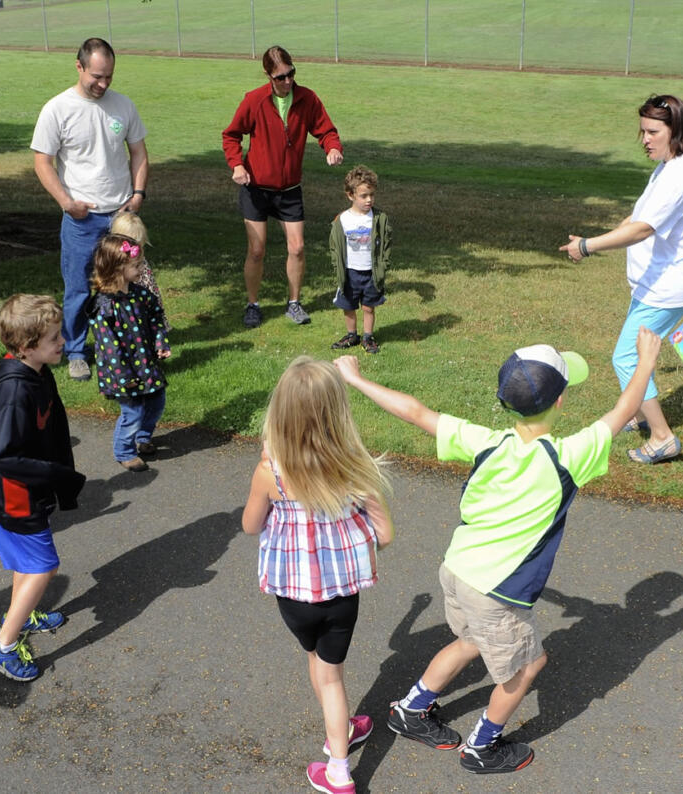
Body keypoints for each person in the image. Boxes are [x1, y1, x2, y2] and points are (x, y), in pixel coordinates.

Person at [334, 327, 662, 775]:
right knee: (528, 667)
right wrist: (646, 361)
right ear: (561, 402)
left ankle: (410, 710)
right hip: (498, 593)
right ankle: (482, 747)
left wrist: (355, 380)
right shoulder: (569, 456)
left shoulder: (485, 441)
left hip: (458, 570)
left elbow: (415, 412)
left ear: (504, 401)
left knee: (469, 640)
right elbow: (625, 410)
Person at [242, 356, 395, 794]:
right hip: (342, 593)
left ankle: (339, 765)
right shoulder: (354, 465)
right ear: (338, 412)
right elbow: (384, 533)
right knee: (331, 674)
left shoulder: (270, 473)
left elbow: (251, 525)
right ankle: (340, 743)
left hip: (293, 595)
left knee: (319, 666)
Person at [560, 94, 683, 465]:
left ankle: (661, 437)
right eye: (642, 130)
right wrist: (590, 241)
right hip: (655, 282)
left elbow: (643, 229)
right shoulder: (670, 165)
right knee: (637, 351)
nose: (644, 139)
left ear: (676, 130)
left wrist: (590, 245)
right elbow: (635, 218)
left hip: (668, 286)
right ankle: (639, 412)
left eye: (652, 131)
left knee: (627, 356)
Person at [0, 294, 87, 682]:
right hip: (14, 498)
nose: (63, 343)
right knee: (44, 566)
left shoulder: (36, 371)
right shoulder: (15, 391)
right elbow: (5, 456)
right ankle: (1, 646)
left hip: (17, 493)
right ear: (26, 347)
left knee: (28, 564)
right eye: (55, 338)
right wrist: (57, 476)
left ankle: (23, 613)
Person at [32, 37, 149, 382]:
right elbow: (42, 162)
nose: (102, 84)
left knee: (124, 283)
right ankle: (77, 352)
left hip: (120, 217)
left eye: (108, 77)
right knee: (79, 288)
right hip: (81, 218)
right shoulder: (57, 109)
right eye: (96, 76)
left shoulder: (123, 106)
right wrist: (67, 203)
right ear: (79, 66)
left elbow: (139, 153)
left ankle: (122, 342)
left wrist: (138, 193)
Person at [223, 45, 344, 328]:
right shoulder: (254, 100)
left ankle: (294, 303)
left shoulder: (307, 98)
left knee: (298, 248)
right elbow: (231, 135)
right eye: (280, 77)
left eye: (291, 74)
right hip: (256, 189)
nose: (287, 81)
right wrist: (237, 165)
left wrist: (332, 148)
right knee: (256, 250)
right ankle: (252, 304)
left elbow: (326, 130)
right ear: (268, 75)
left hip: (289, 190)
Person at [88, 233, 171, 473]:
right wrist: (124, 376)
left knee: (157, 401)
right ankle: (124, 450)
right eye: (136, 265)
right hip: (121, 370)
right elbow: (108, 345)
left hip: (145, 361)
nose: (141, 268)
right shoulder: (104, 304)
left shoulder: (141, 294)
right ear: (116, 269)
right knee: (132, 411)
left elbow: (156, 317)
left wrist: (160, 342)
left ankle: (142, 437)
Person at [330, 166, 391, 355]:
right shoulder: (342, 220)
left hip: (370, 272)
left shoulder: (379, 218)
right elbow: (334, 247)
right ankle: (351, 335)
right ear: (350, 195)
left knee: (368, 307)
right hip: (350, 272)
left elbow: (386, 244)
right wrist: (337, 267)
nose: (369, 200)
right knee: (348, 306)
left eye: (372, 195)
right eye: (364, 196)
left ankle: (368, 337)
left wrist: (383, 265)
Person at [109, 209, 169, 331]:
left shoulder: (141, 264)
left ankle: (152, 328)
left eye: (139, 244)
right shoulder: (115, 263)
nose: (136, 249)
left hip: (144, 298)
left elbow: (149, 287)